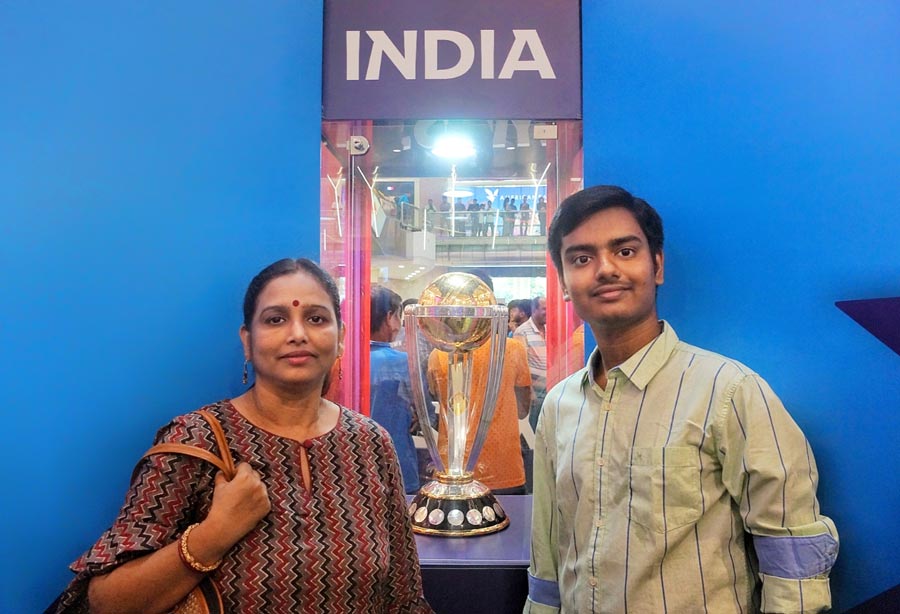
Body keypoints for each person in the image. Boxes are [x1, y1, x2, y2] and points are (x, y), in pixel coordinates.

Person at [54, 258, 432, 613]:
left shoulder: (370, 444)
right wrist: (213, 535)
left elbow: (403, 596)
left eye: (316, 318)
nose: (297, 334)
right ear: (247, 341)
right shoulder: (195, 440)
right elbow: (102, 601)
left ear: (341, 337)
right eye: (275, 320)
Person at [526, 186, 838, 613]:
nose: (605, 269)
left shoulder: (729, 391)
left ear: (657, 266)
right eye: (581, 258)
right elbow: (548, 556)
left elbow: (793, 554)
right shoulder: (560, 405)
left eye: (625, 251)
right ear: (563, 281)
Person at [426, 272, 532, 494]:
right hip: (504, 467)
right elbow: (523, 410)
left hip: (453, 467)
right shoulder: (513, 349)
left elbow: (437, 398)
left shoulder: (438, 354)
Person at [369, 284, 420, 495]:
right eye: (398, 317)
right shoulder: (401, 362)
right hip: (397, 459)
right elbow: (420, 408)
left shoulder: (345, 360)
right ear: (390, 317)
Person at [514, 295, 547, 431]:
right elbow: (521, 365)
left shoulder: (551, 329)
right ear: (534, 310)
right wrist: (530, 392)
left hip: (551, 390)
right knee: (535, 432)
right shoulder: (522, 332)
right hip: (535, 394)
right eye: (544, 309)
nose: (548, 312)